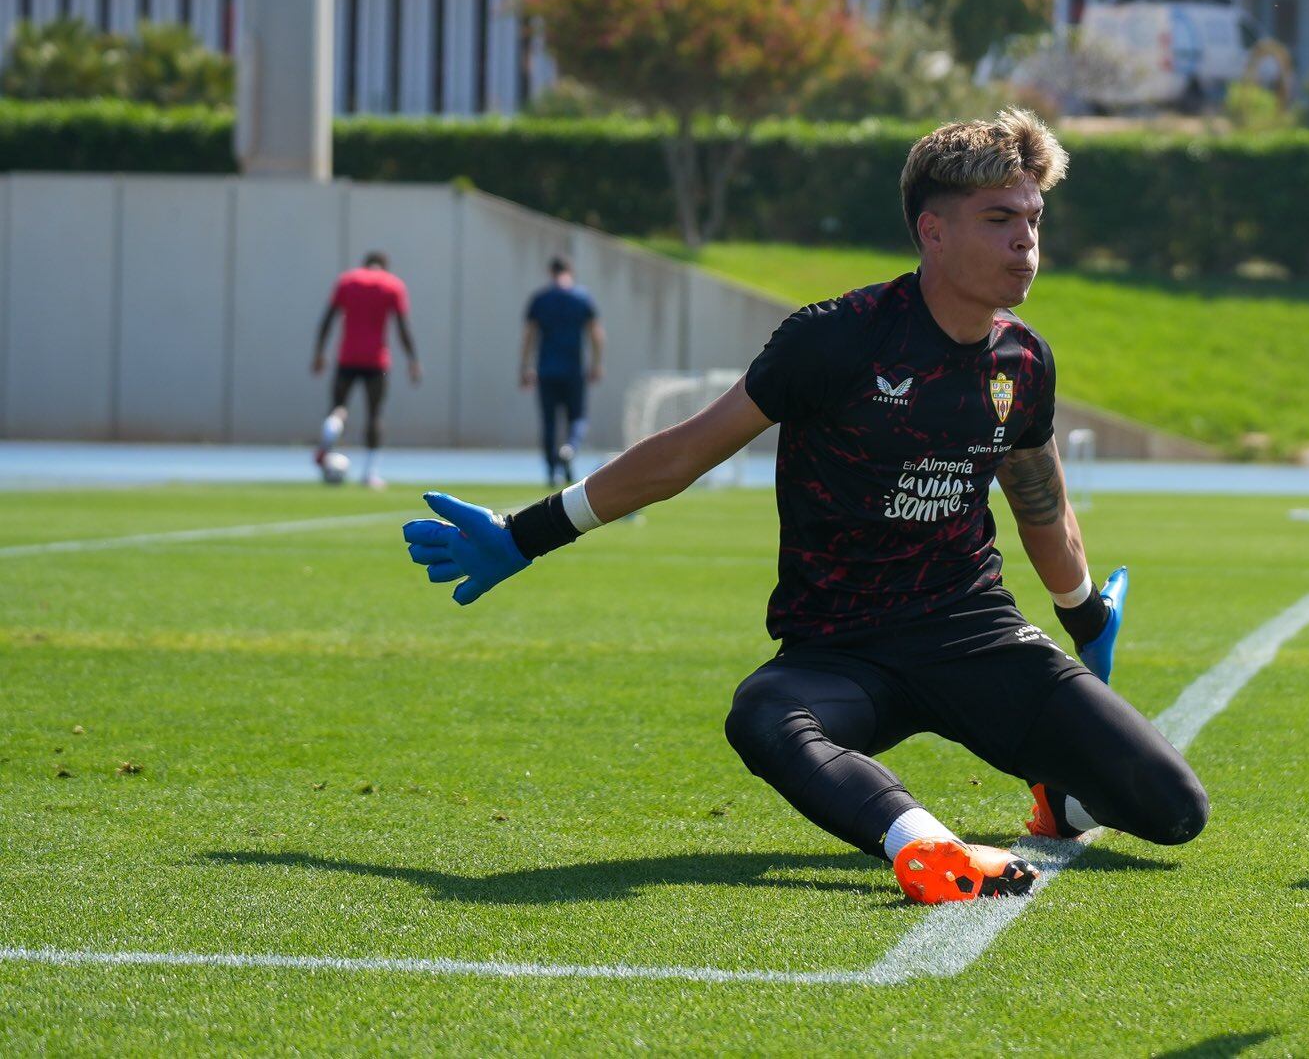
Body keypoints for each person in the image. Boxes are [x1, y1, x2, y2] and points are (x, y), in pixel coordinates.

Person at [399, 110, 1204, 903]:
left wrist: (1085, 616)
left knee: (1175, 811)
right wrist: (525, 535)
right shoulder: (837, 338)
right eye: (999, 219)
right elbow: (684, 453)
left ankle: (1058, 801)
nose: (1025, 239)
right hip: (840, 651)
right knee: (762, 715)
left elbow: (1040, 502)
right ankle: (923, 844)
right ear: (932, 231)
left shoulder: (1024, 360)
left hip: (973, 635)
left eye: (1032, 218)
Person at [313, 251, 420, 491]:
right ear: (384, 266)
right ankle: (370, 473)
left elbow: (328, 319)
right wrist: (413, 360)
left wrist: (319, 353)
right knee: (374, 415)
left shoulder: (347, 281)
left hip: (347, 356)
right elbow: (403, 326)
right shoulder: (392, 285)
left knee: (339, 408)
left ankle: (330, 431)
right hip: (376, 360)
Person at [521, 257, 604, 486]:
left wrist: (525, 366)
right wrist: (596, 363)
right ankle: (569, 449)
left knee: (549, 422)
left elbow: (529, 335)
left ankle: (551, 471)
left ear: (550, 272)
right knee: (577, 418)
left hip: (546, 370)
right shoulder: (582, 297)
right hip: (573, 370)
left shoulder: (541, 299)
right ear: (571, 271)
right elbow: (595, 333)